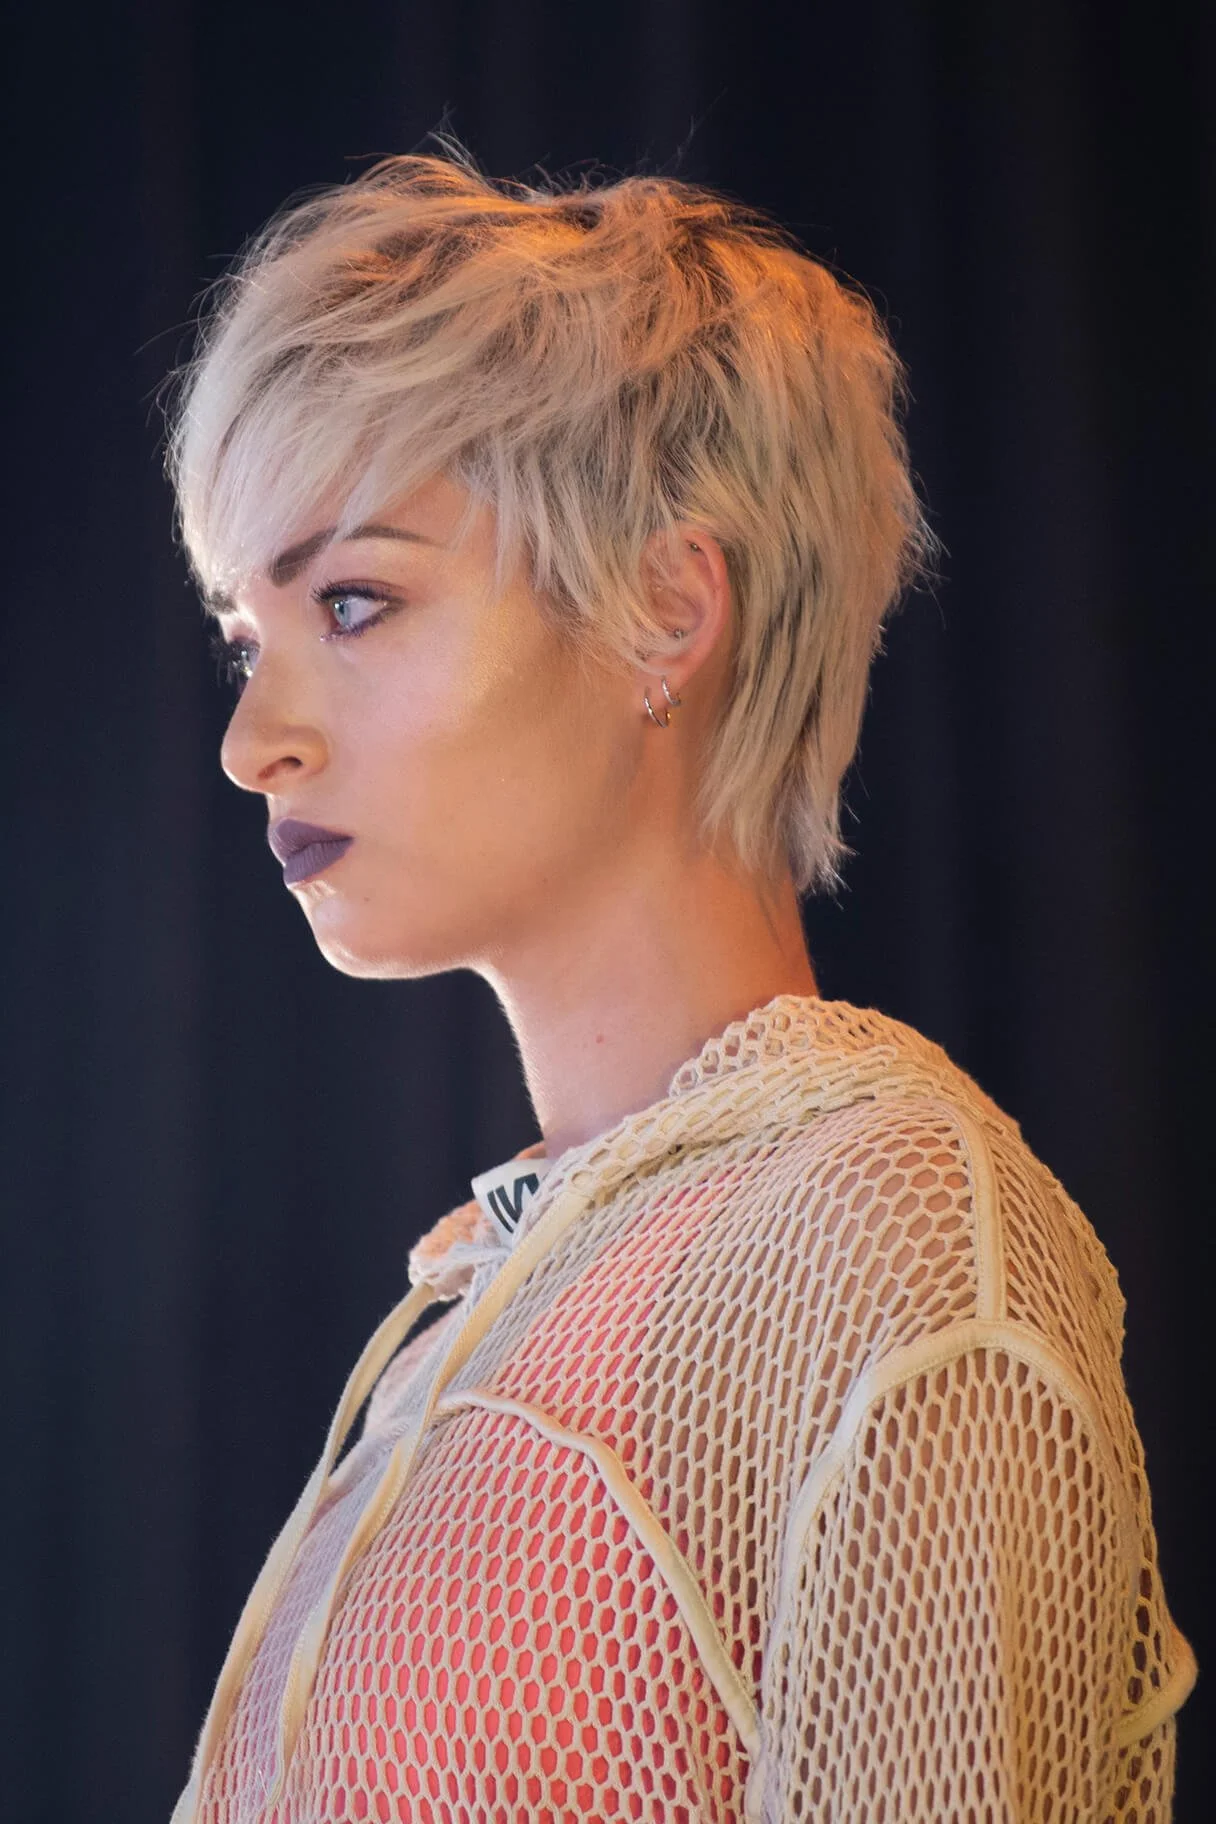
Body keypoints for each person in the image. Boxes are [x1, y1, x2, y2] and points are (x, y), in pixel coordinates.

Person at [164, 149, 1195, 1823]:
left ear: (663, 607)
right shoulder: (463, 1320)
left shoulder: (891, 1232)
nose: (248, 738)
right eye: (244, 637)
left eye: (354, 602)